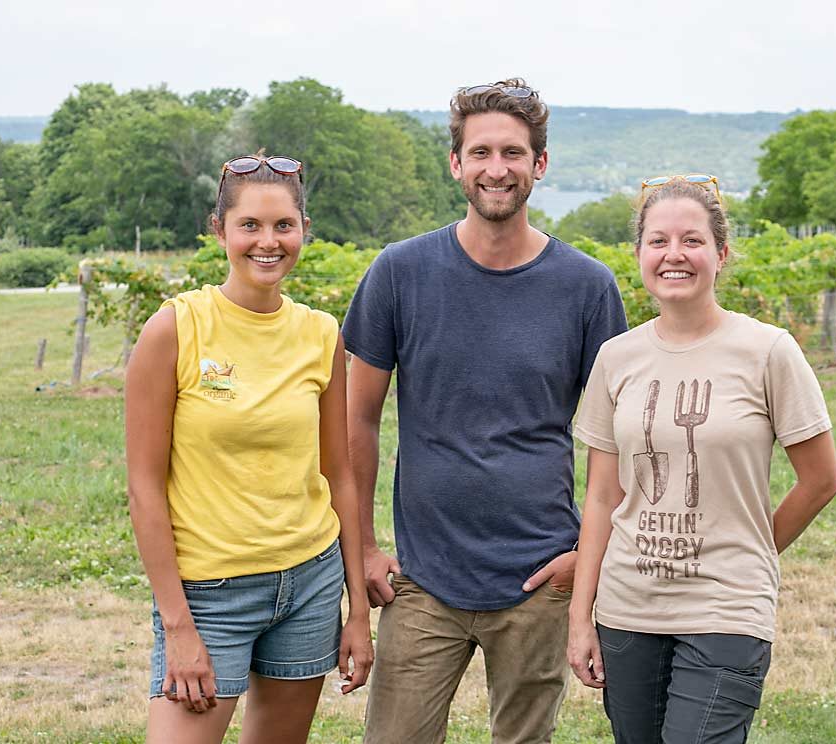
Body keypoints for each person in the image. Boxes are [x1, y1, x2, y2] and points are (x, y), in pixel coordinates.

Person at [343, 79, 629, 744]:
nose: (495, 168)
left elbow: (621, 436)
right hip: (420, 580)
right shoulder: (400, 273)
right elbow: (355, 421)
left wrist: (587, 554)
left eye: (511, 152)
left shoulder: (587, 287)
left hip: (540, 579)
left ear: (539, 164)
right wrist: (361, 547)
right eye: (480, 153)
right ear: (456, 164)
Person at [567, 175, 836, 744]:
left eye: (691, 241)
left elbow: (820, 481)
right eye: (658, 241)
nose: (674, 255)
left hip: (727, 607)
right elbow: (601, 495)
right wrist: (580, 617)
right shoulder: (616, 359)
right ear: (639, 254)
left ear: (720, 253)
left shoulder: (767, 351)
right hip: (628, 609)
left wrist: (752, 550)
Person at [125, 154, 373, 744]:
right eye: (250, 226)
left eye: (284, 226)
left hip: (308, 585)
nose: (268, 242)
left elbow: (340, 475)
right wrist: (178, 625)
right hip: (210, 595)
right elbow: (143, 487)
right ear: (220, 231)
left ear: (304, 230)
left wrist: (358, 612)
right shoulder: (176, 328)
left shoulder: (320, 333)